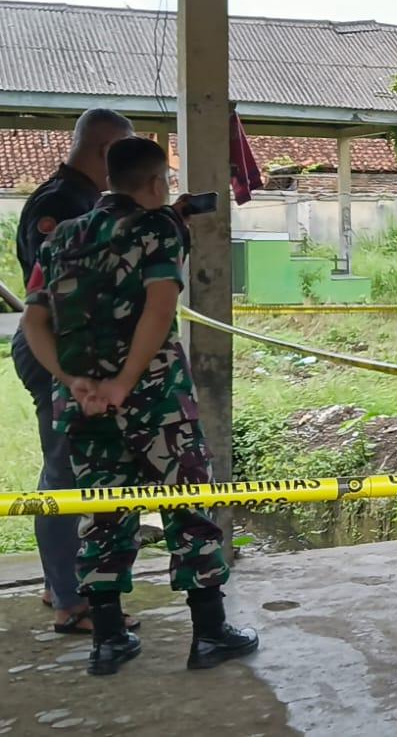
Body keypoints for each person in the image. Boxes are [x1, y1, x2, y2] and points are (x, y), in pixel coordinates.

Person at [21, 137, 259, 676]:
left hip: (83, 406)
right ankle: (209, 633)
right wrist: (125, 382)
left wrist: (75, 381)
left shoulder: (60, 239)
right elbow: (158, 308)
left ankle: (108, 640)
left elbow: (35, 321)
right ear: (156, 183)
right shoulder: (157, 230)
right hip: (155, 402)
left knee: (103, 514)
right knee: (190, 508)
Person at [8, 108, 142, 638]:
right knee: (65, 471)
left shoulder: (77, 198)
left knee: (70, 468)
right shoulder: (62, 205)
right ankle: (70, 600)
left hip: (72, 349)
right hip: (60, 350)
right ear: (106, 151)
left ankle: (59, 584)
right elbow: (66, 289)